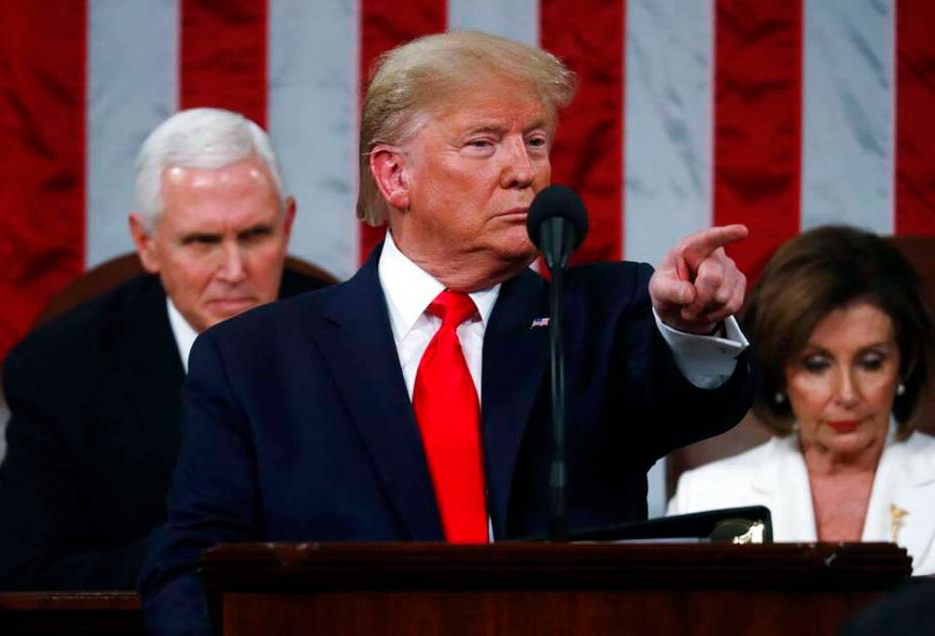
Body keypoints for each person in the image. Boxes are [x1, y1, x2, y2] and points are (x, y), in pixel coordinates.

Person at [139, 32, 755, 634]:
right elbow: (193, 564)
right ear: (394, 176)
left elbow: (687, 403)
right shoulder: (255, 359)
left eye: (535, 140)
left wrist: (689, 327)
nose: (525, 170)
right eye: (484, 143)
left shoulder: (601, 315)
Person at [0, 108, 331, 590]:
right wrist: (210, 557)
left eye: (255, 235)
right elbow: (26, 579)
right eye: (202, 241)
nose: (233, 269)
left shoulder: (346, 333)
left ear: (288, 223)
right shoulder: (59, 368)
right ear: (146, 243)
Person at [668, 226, 935, 575]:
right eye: (816, 365)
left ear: (904, 366)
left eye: (871, 362)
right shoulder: (706, 499)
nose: (847, 394)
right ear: (781, 373)